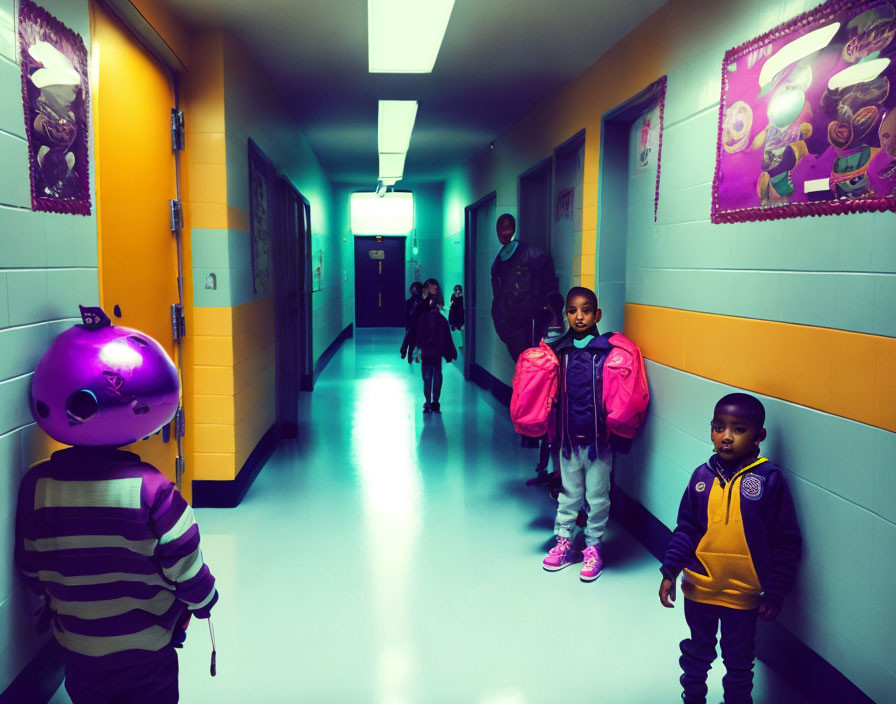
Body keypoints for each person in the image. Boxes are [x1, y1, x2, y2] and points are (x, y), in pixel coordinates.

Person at [15, 308, 218, 704]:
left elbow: (31, 568)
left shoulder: (36, 486)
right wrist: (205, 599)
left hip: (78, 650)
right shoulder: (154, 493)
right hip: (146, 653)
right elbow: (186, 566)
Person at [658, 393, 802, 704]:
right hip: (699, 589)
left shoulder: (769, 479)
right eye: (718, 427)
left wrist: (775, 591)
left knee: (739, 662)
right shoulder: (701, 477)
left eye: (738, 429)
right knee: (698, 652)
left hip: (743, 595)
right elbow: (686, 529)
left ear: (758, 436)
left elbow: (786, 540)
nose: (726, 437)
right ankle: (693, 696)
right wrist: (670, 570)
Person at [541, 287, 615, 581]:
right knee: (569, 495)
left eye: (586, 310)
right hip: (568, 441)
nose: (579, 316)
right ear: (566, 314)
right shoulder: (560, 352)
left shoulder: (608, 351)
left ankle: (594, 546)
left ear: (597, 314)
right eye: (572, 311)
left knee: (597, 496)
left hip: (599, 442)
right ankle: (564, 542)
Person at [490, 213, 562, 362]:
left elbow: (549, 287)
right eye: (499, 229)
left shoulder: (533, 255)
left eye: (506, 228)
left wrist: (548, 312)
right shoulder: (498, 261)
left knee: (529, 363)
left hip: (528, 322)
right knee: (521, 362)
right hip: (508, 323)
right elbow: (498, 293)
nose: (502, 233)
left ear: (513, 229)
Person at [413, 278, 456, 413]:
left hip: (427, 352)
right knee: (437, 375)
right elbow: (447, 338)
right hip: (437, 352)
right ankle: (435, 402)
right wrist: (450, 353)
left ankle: (427, 402)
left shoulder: (422, 318)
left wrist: (417, 350)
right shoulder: (442, 320)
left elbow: (418, 336)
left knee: (427, 376)